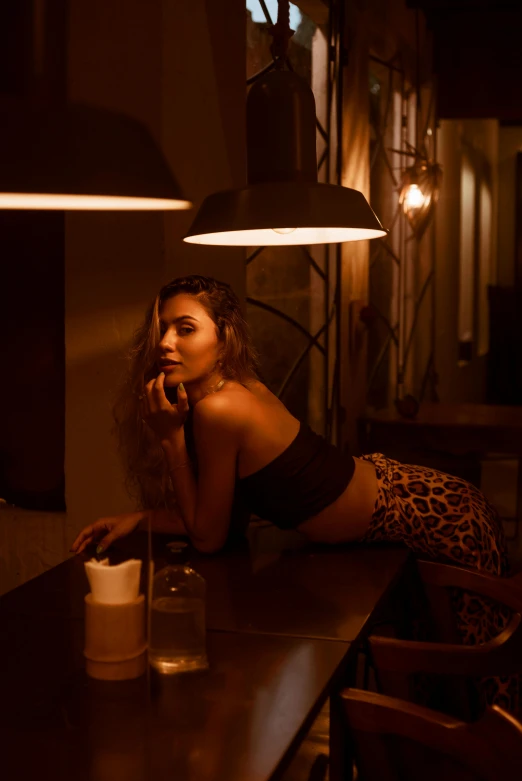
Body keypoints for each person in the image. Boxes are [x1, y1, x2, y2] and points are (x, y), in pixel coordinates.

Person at [71, 274, 515, 710]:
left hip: (440, 515)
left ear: (224, 339)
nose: (166, 342)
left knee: (480, 688)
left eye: (185, 328)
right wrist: (141, 518)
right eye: (162, 328)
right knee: (445, 679)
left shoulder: (220, 409)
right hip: (413, 496)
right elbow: (221, 521)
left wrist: (169, 440)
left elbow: (207, 538)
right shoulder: (235, 388)